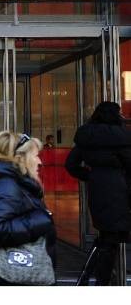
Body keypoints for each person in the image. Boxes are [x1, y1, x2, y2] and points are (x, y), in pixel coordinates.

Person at [0, 131, 56, 285]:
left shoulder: (15, 183)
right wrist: (39, 219)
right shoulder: (7, 185)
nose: (40, 161)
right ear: (21, 159)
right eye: (35, 155)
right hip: (10, 277)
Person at [65, 101, 131, 285]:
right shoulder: (122, 137)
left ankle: (96, 278)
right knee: (112, 238)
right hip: (120, 190)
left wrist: (91, 176)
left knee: (106, 236)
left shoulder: (88, 137)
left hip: (98, 190)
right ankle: (102, 280)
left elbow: (71, 164)